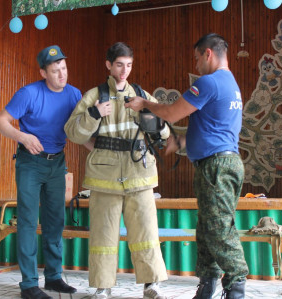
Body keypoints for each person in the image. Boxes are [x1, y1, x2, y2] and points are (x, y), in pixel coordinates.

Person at [125, 33, 248, 299]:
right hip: (223, 161)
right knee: (207, 229)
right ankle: (206, 286)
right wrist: (181, 141)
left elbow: (171, 113)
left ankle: (236, 285)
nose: (196, 66)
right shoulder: (230, 83)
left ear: (208, 54)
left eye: (196, 58)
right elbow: (213, 127)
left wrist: (144, 103)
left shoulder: (209, 82)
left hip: (216, 166)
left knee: (218, 229)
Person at [64, 42, 170, 299]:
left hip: (139, 174)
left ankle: (151, 285)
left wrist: (148, 112)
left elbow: (165, 132)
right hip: (105, 177)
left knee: (146, 232)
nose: (124, 71)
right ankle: (103, 286)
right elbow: (72, 132)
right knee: (103, 233)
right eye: (119, 65)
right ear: (109, 65)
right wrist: (94, 114)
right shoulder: (94, 96)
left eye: (129, 65)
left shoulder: (142, 95)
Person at [0, 45, 81, 299]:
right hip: (30, 163)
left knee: (55, 221)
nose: (62, 75)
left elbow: (83, 129)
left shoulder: (74, 94)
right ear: (43, 72)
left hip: (57, 164)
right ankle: (29, 284)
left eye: (64, 68)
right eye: (55, 71)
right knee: (29, 221)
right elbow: (0, 121)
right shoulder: (28, 93)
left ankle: (53, 277)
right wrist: (22, 136)